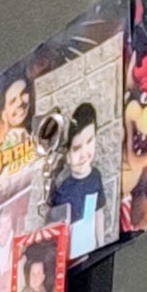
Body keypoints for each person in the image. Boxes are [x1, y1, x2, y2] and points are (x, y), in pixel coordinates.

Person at [49, 100, 108, 255]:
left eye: (89, 141)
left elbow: (98, 211)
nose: (84, 153)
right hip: (72, 253)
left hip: (92, 247)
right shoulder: (62, 190)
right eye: (76, 148)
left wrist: (101, 245)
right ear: (67, 155)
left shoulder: (96, 176)